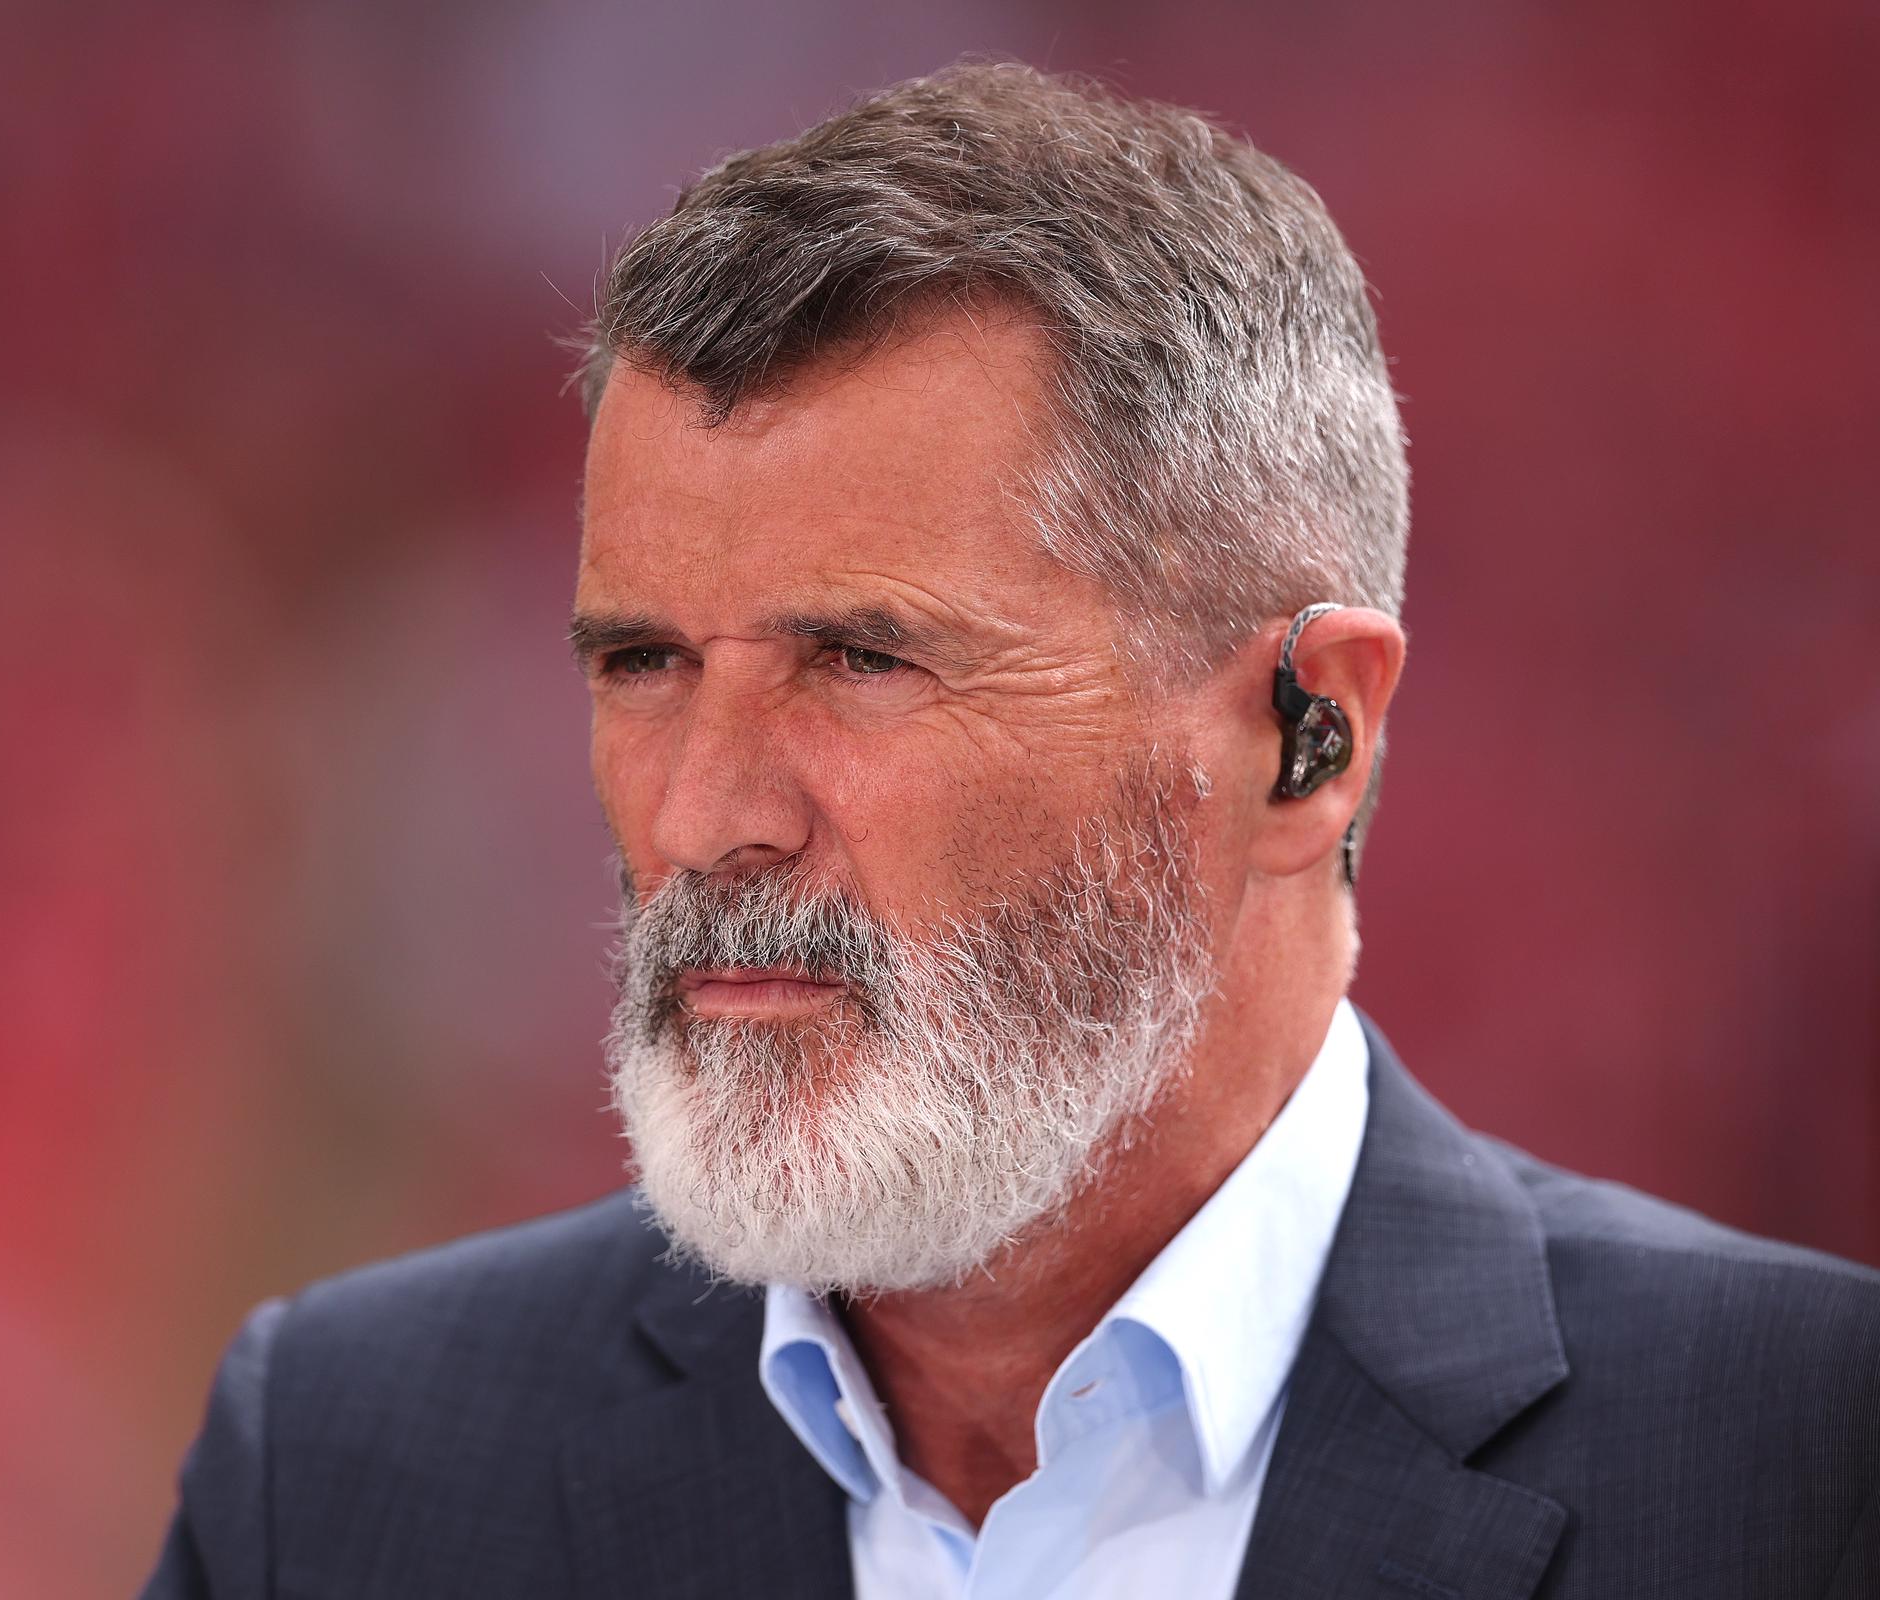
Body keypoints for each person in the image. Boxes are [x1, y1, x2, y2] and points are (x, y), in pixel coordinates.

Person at [139, 61, 1878, 1599]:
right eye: (645, 662)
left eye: (864, 658)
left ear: (1307, 736)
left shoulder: (1800, 1461)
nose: (703, 814)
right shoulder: (347, 1473)